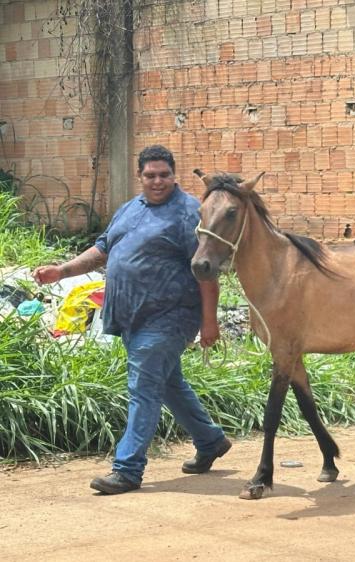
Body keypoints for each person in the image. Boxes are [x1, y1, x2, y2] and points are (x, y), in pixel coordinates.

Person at [34, 145, 232, 495]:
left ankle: (127, 469)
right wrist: (61, 271)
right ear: (140, 176)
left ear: (174, 175)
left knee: (143, 388)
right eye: (150, 175)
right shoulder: (129, 209)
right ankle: (210, 440)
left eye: (164, 175)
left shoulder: (188, 213)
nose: (158, 181)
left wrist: (209, 321)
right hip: (132, 317)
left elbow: (207, 271)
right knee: (167, 383)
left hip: (170, 316)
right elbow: (102, 249)